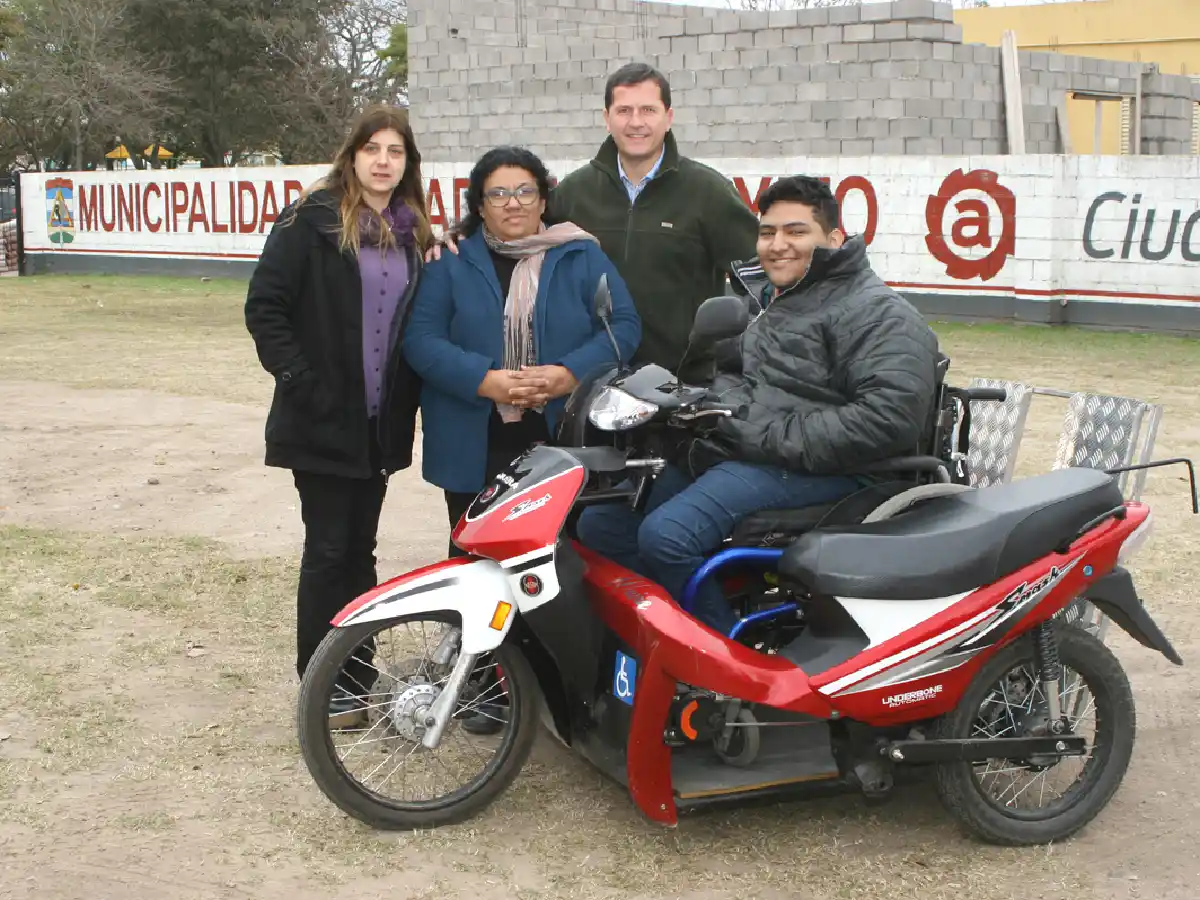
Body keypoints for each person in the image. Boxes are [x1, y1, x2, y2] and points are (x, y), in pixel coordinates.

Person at [575, 176, 941, 635]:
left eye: (796, 231)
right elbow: (741, 380)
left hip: (839, 468)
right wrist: (700, 406)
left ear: (834, 239)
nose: (777, 245)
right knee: (602, 526)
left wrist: (760, 433)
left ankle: (728, 657)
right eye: (768, 232)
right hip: (752, 452)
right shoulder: (779, 300)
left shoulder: (879, 313)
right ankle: (656, 636)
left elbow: (889, 419)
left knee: (666, 537)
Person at [244, 105, 432, 726]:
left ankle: (355, 674)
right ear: (351, 156)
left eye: (395, 151)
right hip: (321, 420)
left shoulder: (413, 233)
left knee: (361, 551)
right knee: (328, 550)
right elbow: (265, 307)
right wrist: (301, 381)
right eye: (372, 148)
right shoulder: (310, 220)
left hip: (379, 425)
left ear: (407, 163)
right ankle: (323, 687)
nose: (383, 161)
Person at [429, 62, 758, 384]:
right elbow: (514, 229)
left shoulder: (708, 192)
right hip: (593, 384)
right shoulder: (575, 191)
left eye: (648, 110)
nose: (636, 122)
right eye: (624, 111)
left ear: (668, 117)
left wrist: (733, 357)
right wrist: (462, 232)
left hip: (683, 383)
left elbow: (760, 277)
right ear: (607, 118)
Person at [402, 145, 641, 552]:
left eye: (525, 191)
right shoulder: (450, 260)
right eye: (497, 194)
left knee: (561, 557)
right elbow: (421, 340)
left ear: (543, 201)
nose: (513, 203)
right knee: (476, 555)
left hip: (563, 434)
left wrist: (568, 374)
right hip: (475, 438)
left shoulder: (580, 254)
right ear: (480, 207)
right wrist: (484, 381)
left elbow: (623, 326)